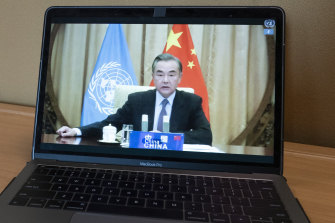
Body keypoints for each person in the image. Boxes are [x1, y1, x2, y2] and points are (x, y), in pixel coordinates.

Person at [57, 53, 212, 145]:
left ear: (179, 77)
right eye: (160, 74)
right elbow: (109, 124)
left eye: (171, 74)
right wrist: (76, 131)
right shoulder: (137, 100)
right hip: (139, 161)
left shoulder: (191, 101)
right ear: (153, 76)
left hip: (174, 163)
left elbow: (205, 135)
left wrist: (169, 139)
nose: (165, 80)